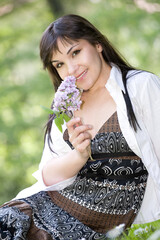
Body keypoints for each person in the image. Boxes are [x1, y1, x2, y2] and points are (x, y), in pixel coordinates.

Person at [0, 14, 160, 240]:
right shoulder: (66, 103)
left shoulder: (139, 87)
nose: (71, 69)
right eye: (59, 64)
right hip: (52, 209)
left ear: (97, 44)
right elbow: (48, 174)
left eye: (76, 52)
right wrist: (79, 155)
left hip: (95, 226)